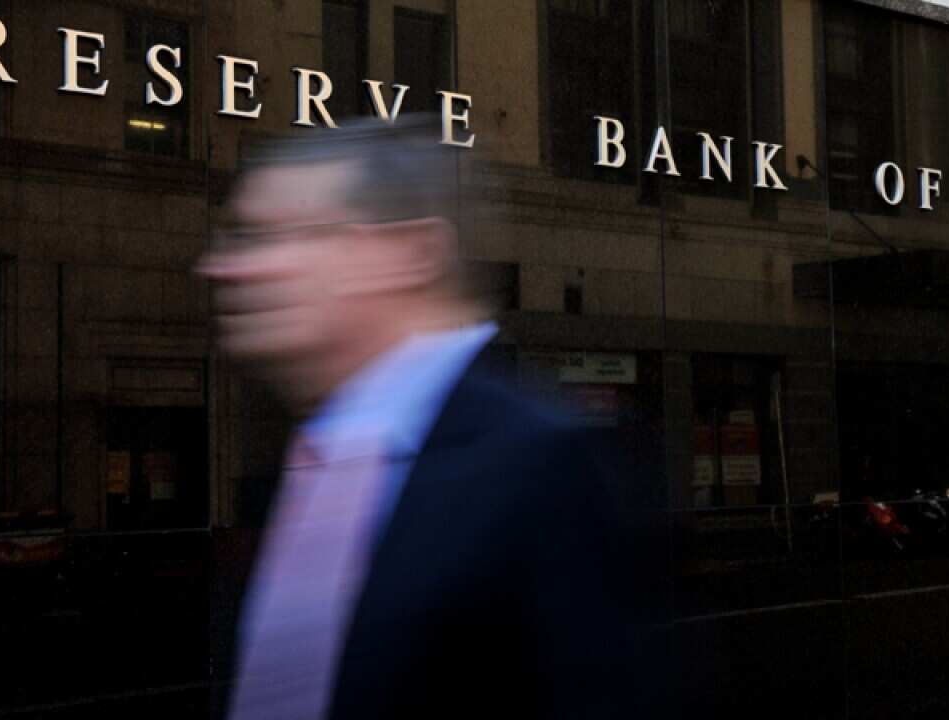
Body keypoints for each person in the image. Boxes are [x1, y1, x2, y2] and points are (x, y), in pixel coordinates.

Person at [197, 116, 633, 720]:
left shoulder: (536, 465)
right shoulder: (321, 459)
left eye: (277, 236)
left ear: (408, 253)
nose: (225, 269)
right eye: (241, 238)